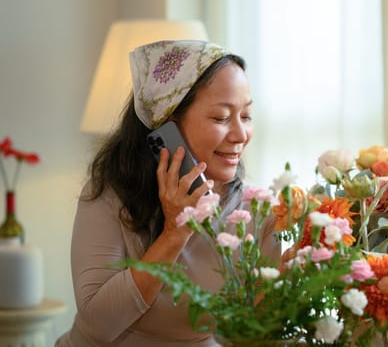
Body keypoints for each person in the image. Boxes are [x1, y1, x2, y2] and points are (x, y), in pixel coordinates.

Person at [56, 40, 281, 347]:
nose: (241, 135)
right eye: (221, 118)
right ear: (168, 128)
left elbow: (251, 334)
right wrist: (174, 232)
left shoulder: (256, 211)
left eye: (246, 116)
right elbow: (98, 326)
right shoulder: (109, 195)